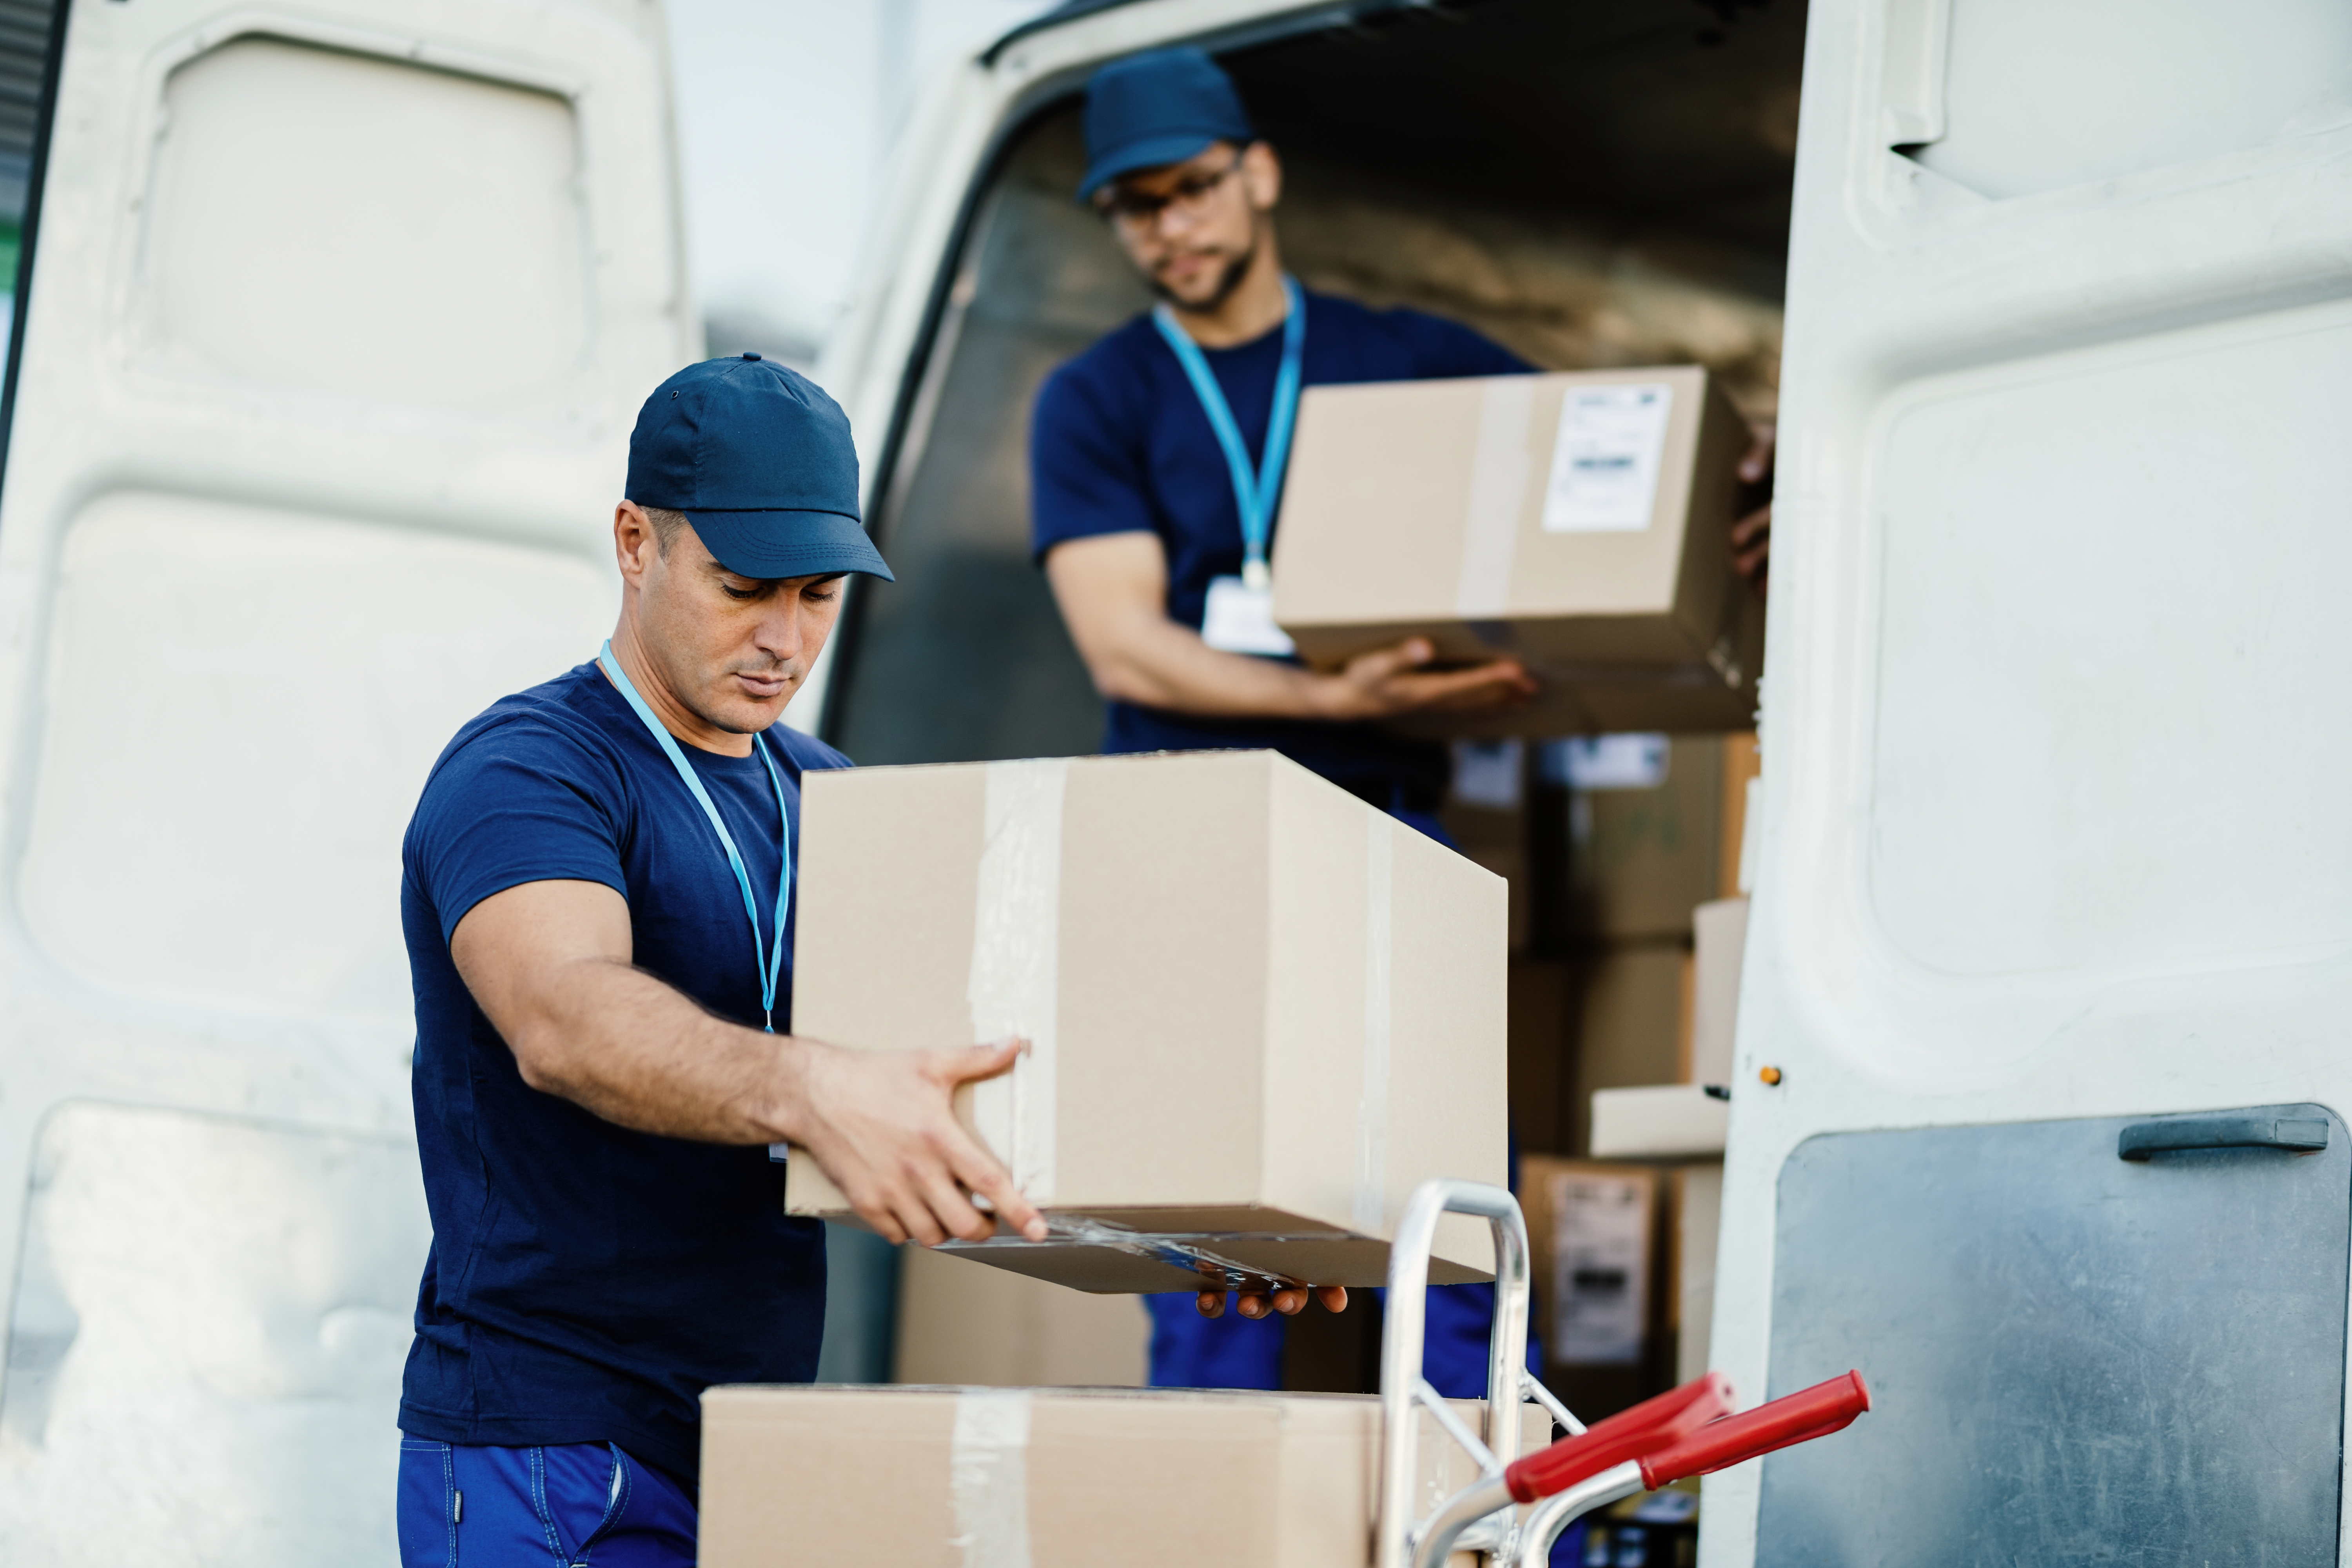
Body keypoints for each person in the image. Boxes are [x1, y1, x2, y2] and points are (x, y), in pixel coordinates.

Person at [1029, 49, 1771, 1400]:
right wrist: (1330, 696)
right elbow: (1124, 639)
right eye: (1134, 207)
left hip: (1384, 834)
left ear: (1258, 173)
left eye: (1191, 188)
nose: (1169, 227)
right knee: (1213, 1232)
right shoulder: (1100, 395)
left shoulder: (1406, 359)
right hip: (1191, 843)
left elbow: (1598, 473)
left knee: (1442, 1213)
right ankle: (1214, 1522)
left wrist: (1745, 462)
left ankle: (1486, 1514)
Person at [394, 355, 1048, 1567]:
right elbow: (564, 1019)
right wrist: (811, 1088)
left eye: (818, 595)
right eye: (744, 588)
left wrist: (1206, 1242)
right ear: (636, 541)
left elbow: (985, 1077)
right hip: (553, 1451)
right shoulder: (528, 771)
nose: (784, 640)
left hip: (751, 1452)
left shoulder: (834, 798)